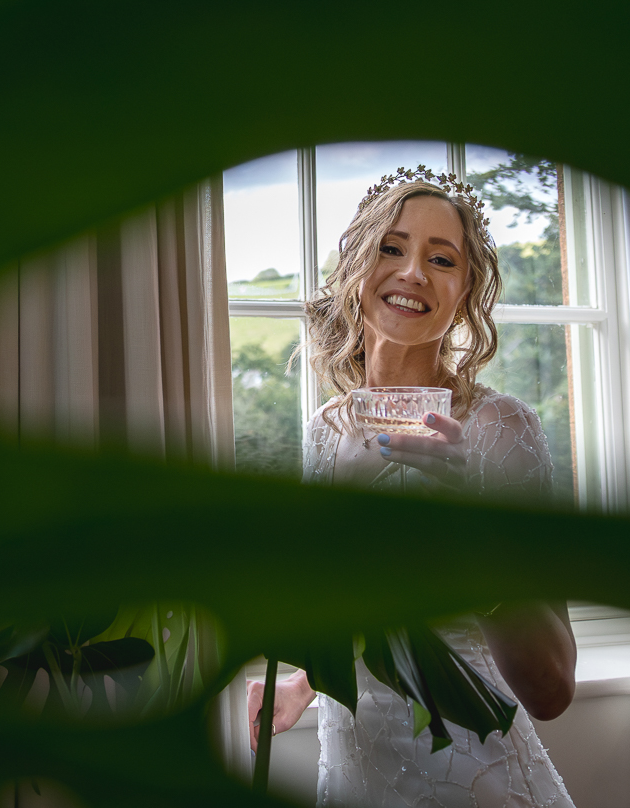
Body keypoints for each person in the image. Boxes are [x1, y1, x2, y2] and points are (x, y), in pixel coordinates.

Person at [247, 169, 577, 808]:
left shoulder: (500, 428)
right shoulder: (325, 431)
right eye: (392, 248)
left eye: (442, 259)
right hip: (352, 777)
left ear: (466, 291)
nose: (413, 272)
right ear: (355, 267)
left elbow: (552, 691)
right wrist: (303, 683)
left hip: (474, 782)